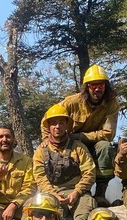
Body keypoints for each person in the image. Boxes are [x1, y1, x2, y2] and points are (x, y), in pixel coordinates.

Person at [42, 65, 120, 206]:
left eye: (101, 84)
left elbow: (108, 134)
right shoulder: (72, 102)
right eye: (93, 85)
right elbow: (48, 118)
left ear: (106, 86)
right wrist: (46, 139)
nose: (97, 89)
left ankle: (100, 194)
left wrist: (80, 137)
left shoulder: (112, 103)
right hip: (70, 145)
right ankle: (61, 193)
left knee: (106, 147)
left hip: (93, 144)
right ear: (87, 87)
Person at [32, 104, 97, 220]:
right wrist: (53, 194)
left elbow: (90, 172)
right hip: (52, 194)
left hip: (77, 193)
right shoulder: (41, 151)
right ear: (48, 126)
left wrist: (77, 191)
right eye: (54, 123)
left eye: (61, 122)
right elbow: (40, 176)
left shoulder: (79, 147)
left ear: (67, 125)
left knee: (85, 217)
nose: (57, 126)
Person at [0, 125, 35, 220]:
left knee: (34, 210)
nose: (4, 140)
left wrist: (14, 205)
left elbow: (30, 187)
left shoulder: (26, 161)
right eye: (0, 136)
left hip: (19, 205)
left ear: (14, 139)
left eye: (8, 136)